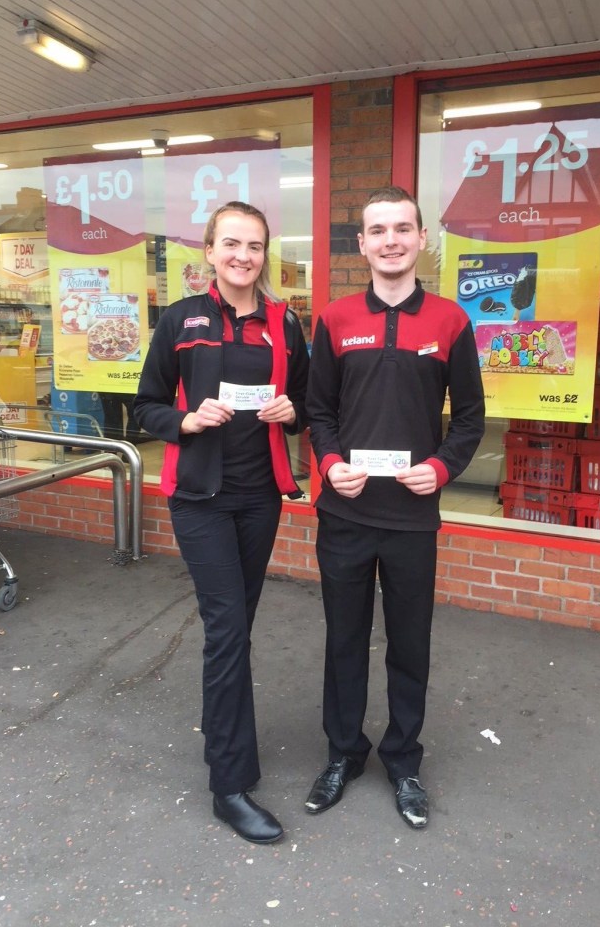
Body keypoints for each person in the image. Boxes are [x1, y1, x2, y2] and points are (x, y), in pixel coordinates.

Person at [304, 186, 485, 829]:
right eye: (377, 230)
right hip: (345, 515)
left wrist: (439, 469)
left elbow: (469, 419)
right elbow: (318, 412)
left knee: (410, 644)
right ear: (362, 244)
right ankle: (343, 754)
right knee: (344, 642)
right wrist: (329, 466)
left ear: (420, 239)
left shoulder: (449, 321)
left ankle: (404, 761)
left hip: (412, 518)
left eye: (402, 229)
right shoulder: (332, 319)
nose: (390, 241)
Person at [133, 201, 309, 845]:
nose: (243, 256)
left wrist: (292, 411)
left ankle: (229, 756)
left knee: (237, 627)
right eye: (231, 244)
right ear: (209, 251)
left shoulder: (286, 324)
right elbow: (144, 406)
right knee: (228, 629)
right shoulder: (181, 320)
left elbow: (309, 404)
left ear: (266, 255)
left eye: (255, 246)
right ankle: (229, 785)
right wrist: (183, 421)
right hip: (201, 499)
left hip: (260, 498)